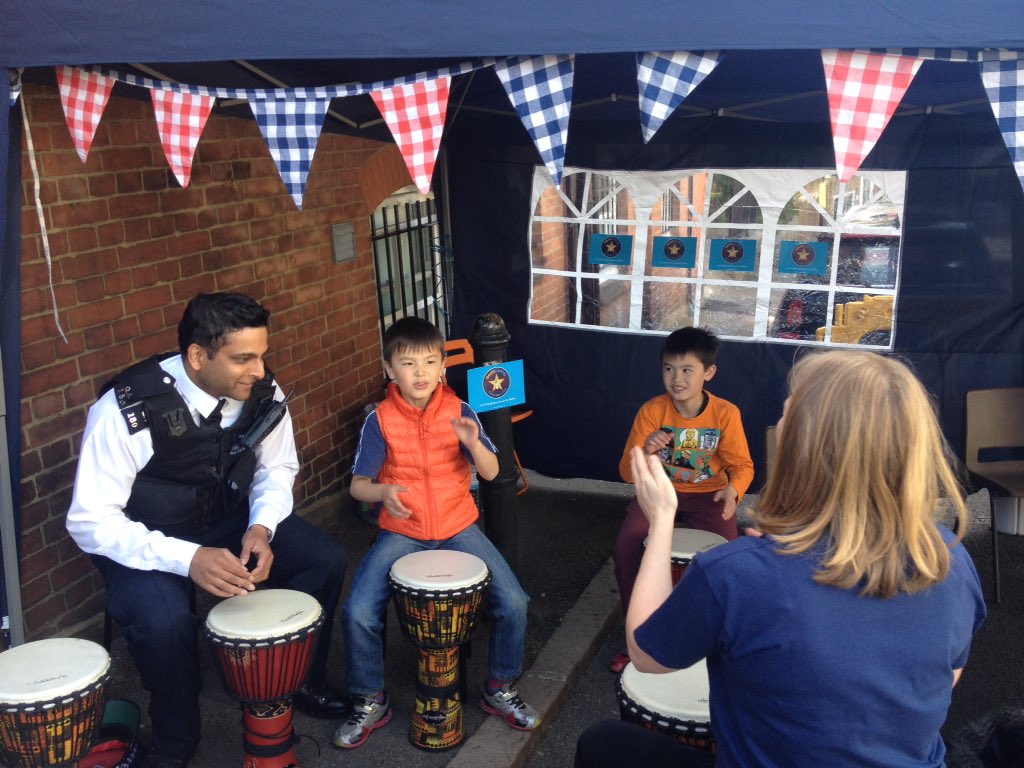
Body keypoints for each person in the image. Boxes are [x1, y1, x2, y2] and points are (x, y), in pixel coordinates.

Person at [577, 350, 988, 768]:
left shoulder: (737, 575)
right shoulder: (949, 557)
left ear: (804, 447)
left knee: (603, 743)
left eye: (788, 414)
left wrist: (661, 520)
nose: (777, 425)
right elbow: (948, 673)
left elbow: (647, 653)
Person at [66, 292, 349, 768]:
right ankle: (177, 739)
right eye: (243, 358)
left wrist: (261, 527)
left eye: (261, 354)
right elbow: (90, 520)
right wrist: (187, 558)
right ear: (198, 356)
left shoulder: (263, 392)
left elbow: (278, 469)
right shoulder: (128, 409)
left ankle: (298, 681)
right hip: (145, 536)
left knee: (324, 560)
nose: (259, 370)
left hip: (229, 517)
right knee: (165, 623)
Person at [334, 316, 539, 749]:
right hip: (402, 531)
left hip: (457, 526)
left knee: (515, 602)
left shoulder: (460, 411)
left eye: (430, 361)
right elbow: (357, 485)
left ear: (443, 365)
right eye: (409, 363)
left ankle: (499, 687)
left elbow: (492, 472)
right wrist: (383, 490)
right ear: (389, 369)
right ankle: (370, 699)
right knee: (357, 611)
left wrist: (474, 442)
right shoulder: (381, 420)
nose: (421, 372)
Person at [609, 326, 753, 673]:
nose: (676, 378)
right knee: (627, 546)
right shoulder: (652, 411)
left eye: (687, 370)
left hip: (708, 496)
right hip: (660, 493)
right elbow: (627, 473)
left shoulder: (725, 413)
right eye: (669, 369)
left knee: (730, 559)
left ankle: (724, 636)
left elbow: (742, 466)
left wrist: (734, 490)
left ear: (709, 373)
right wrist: (644, 451)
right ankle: (638, 634)